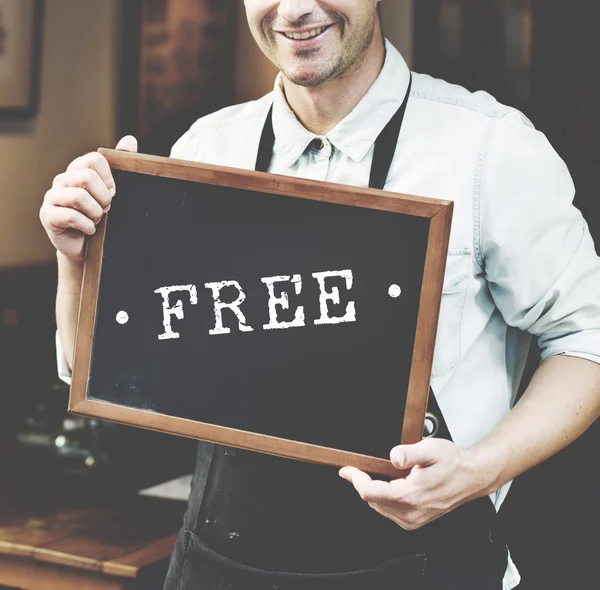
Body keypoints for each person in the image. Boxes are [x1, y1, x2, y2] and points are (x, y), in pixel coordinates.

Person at [39, 1, 600, 589]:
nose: (297, 7)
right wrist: (73, 258)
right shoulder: (204, 150)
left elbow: (585, 340)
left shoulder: (491, 149)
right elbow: (97, 371)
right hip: (220, 567)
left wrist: (479, 471)